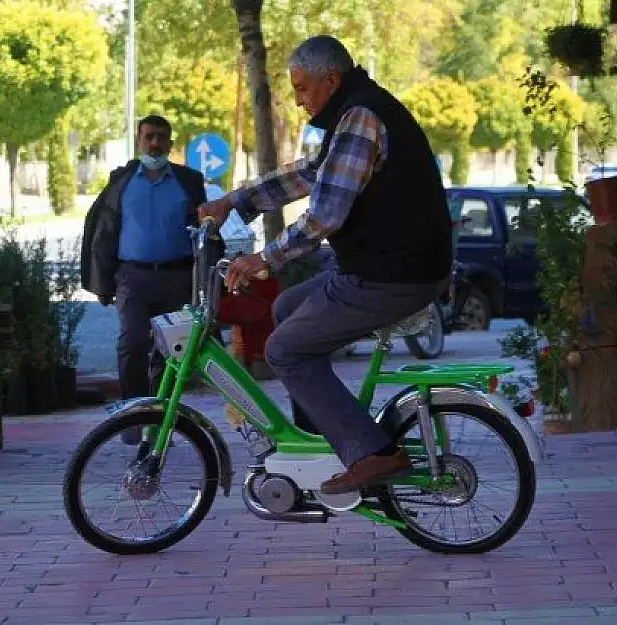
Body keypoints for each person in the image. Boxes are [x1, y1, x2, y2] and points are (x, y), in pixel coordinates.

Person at [197, 35, 452, 495]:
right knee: (287, 312)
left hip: (392, 275)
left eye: (302, 89)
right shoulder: (354, 113)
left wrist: (263, 259)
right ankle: (320, 444)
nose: (297, 100)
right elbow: (312, 173)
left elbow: (325, 214)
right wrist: (235, 201)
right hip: (386, 267)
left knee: (284, 350)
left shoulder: (360, 116)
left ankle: (370, 453)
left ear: (330, 80)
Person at [80, 114, 211, 443]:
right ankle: (133, 416)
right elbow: (103, 232)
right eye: (149, 136)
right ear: (138, 140)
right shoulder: (121, 181)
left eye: (161, 137)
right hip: (132, 277)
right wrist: (102, 282)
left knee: (169, 354)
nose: (155, 143)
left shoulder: (189, 181)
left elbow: (208, 232)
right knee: (133, 342)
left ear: (170, 142)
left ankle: (160, 420)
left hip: (177, 278)